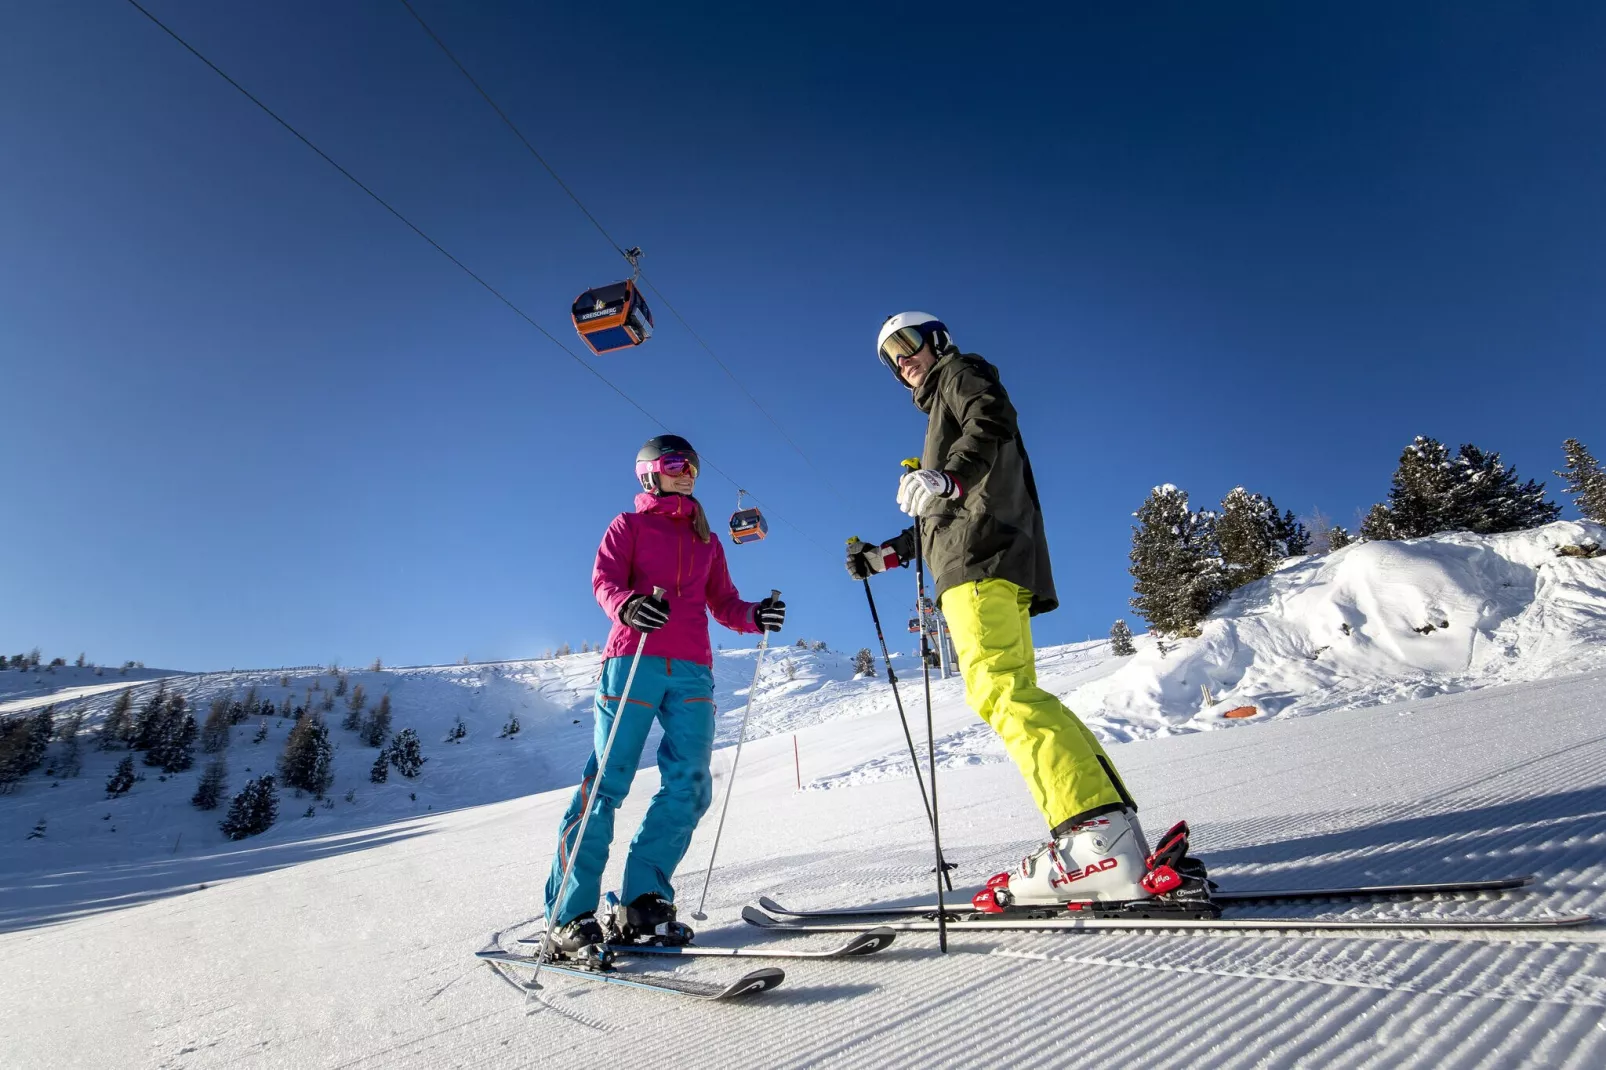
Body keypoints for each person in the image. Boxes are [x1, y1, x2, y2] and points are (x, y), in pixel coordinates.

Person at [846, 312, 1204, 911]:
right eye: (890, 359)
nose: (902, 361)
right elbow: (942, 515)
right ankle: (1105, 832)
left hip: (981, 564)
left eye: (907, 345)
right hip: (980, 559)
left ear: (937, 339)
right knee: (1015, 692)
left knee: (1001, 692)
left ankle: (1094, 843)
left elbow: (991, 422)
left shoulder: (962, 374)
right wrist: (888, 553)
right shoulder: (942, 415)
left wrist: (947, 476)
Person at [544, 434, 787, 954]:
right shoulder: (628, 526)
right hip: (634, 659)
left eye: (693, 466)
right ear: (649, 473)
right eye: (676, 463)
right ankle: (570, 914)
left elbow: (722, 602)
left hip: (692, 671)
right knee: (607, 783)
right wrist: (628, 605)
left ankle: (644, 902)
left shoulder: (708, 541)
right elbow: (604, 581)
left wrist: (753, 616)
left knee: (691, 785)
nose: (688, 473)